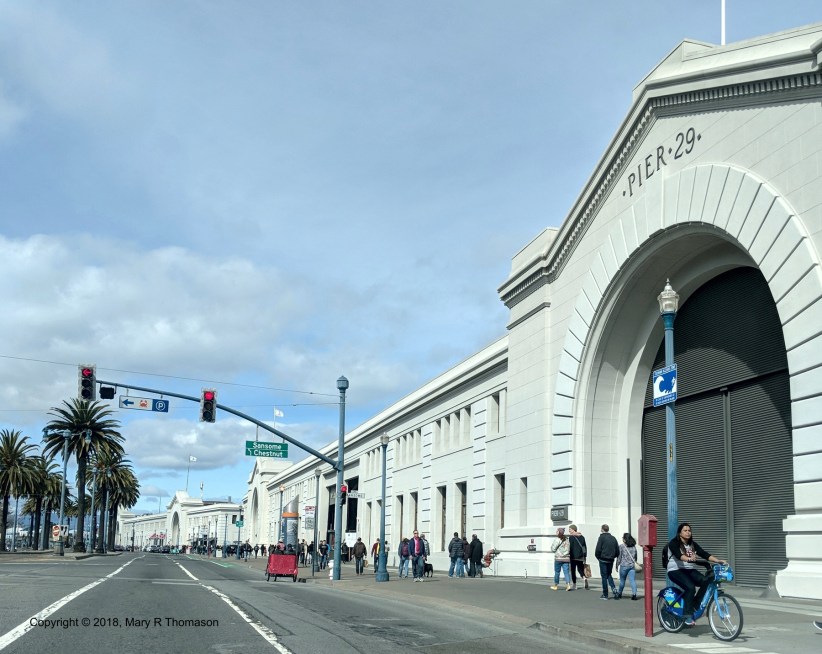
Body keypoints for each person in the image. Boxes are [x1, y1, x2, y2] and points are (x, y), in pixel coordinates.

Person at [665, 522, 726, 626]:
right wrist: (688, 558)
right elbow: (679, 556)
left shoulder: (692, 544)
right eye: (685, 530)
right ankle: (687, 615)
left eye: (689, 530)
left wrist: (718, 560)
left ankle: (694, 605)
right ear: (680, 533)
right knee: (690, 587)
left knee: (705, 581)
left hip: (689, 570)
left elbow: (704, 554)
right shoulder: (673, 543)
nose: (688, 532)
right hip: (675, 570)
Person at [595, 524, 619, 600]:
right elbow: (617, 551)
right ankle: (614, 589)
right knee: (609, 574)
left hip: (603, 559)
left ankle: (605, 594)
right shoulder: (613, 538)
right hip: (611, 559)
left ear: (602, 529)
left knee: (604, 576)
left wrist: (598, 557)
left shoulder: (601, 537)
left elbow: (598, 549)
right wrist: (613, 556)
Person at [616, 533, 639, 600]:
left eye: (623, 537)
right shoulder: (633, 547)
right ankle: (634, 594)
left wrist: (617, 565)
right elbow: (635, 556)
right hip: (632, 566)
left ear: (625, 539)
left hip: (624, 566)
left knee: (622, 580)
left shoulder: (621, 546)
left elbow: (619, 557)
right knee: (632, 580)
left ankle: (619, 593)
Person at [568, 524, 588, 590]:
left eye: (570, 529)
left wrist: (568, 555)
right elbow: (584, 547)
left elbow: (570, 547)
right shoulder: (582, 537)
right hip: (580, 556)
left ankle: (574, 584)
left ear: (573, 529)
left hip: (573, 556)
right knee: (580, 569)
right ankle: (584, 578)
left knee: (573, 571)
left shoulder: (571, 537)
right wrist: (584, 556)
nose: (569, 531)